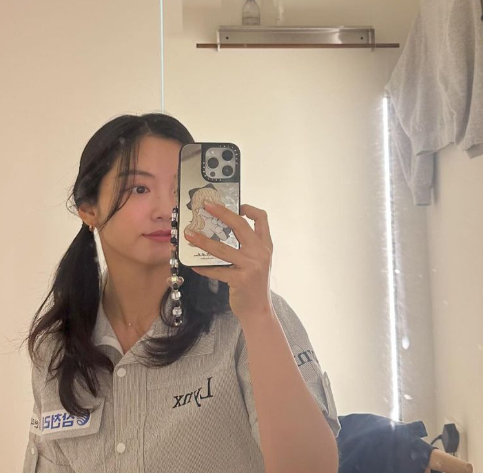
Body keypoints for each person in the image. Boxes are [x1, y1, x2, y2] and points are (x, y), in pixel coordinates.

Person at [22, 112, 341, 473]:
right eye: (139, 189)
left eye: (179, 189)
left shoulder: (247, 318)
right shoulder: (57, 347)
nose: (166, 209)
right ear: (88, 210)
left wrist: (258, 316)